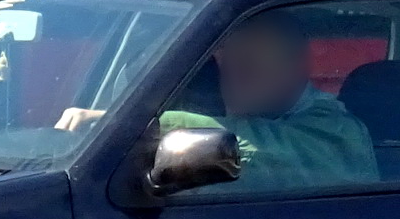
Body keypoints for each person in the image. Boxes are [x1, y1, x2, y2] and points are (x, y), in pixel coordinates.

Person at [161, 11, 376, 195]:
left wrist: (149, 128)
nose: (231, 76)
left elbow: (267, 154)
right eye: (224, 58)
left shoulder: (338, 134)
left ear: (297, 65)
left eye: (249, 68)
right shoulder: (209, 112)